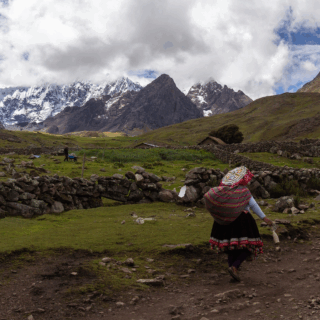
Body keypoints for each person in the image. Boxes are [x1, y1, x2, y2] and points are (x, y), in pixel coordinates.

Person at [204, 166, 273, 282]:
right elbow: (254, 205)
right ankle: (235, 267)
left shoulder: (224, 191)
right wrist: (264, 218)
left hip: (225, 224)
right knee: (248, 247)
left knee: (231, 249)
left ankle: (232, 271)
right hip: (242, 222)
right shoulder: (243, 191)